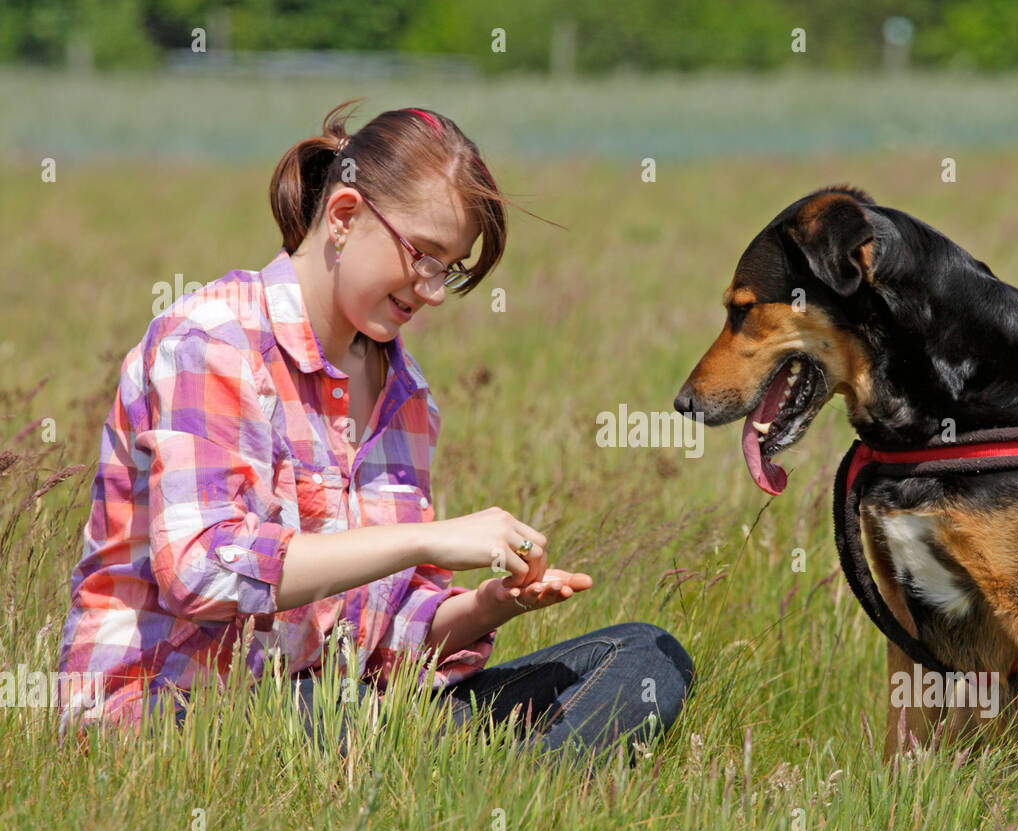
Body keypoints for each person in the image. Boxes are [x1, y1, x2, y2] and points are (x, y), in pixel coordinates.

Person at [57, 100, 694, 760]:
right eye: (425, 255)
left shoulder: (405, 392)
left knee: (646, 656)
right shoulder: (212, 342)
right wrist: (427, 538)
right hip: (173, 714)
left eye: (450, 267)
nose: (435, 289)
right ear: (343, 217)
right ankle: (486, 780)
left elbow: (386, 643)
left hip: (333, 708)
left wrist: (488, 606)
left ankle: (501, 783)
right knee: (342, 716)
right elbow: (200, 571)